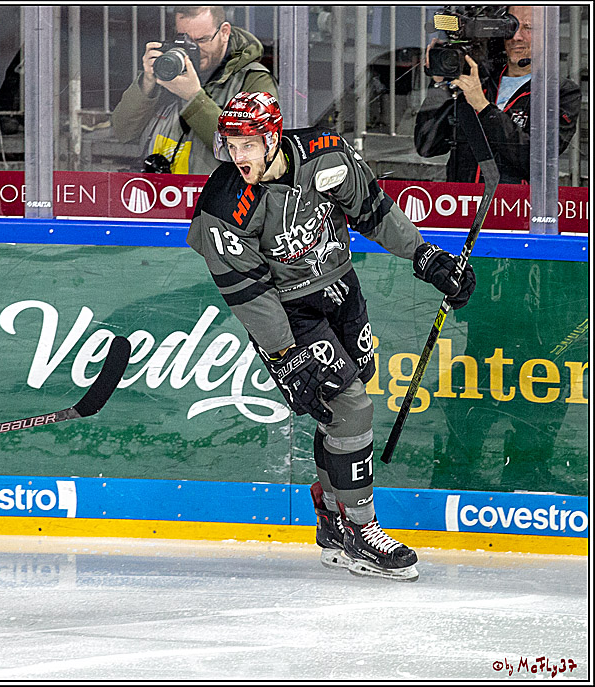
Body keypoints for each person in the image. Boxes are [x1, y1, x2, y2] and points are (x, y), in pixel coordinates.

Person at [187, 92, 478, 581]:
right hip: (288, 312)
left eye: (248, 144)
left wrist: (424, 256)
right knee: (352, 405)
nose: (238, 156)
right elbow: (249, 294)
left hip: (342, 289)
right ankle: (363, 530)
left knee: (343, 412)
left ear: (273, 138)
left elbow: (374, 211)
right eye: (230, 145)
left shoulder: (327, 155)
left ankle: (331, 521)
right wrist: (284, 355)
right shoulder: (223, 204)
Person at [414, 6, 580, 184]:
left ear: (548, 35)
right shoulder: (480, 79)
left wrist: (484, 108)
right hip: (462, 198)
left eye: (529, 28)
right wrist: (440, 84)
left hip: (512, 200)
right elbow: (427, 146)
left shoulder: (560, 91)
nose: (516, 37)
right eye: (509, 26)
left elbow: (537, 159)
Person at [111, 6, 277, 175]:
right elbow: (122, 131)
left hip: (212, 191)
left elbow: (255, 155)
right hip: (161, 189)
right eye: (184, 40)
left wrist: (194, 98)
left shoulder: (252, 80)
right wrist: (147, 83)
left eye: (202, 40)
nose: (194, 49)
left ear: (224, 33)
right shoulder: (168, 72)